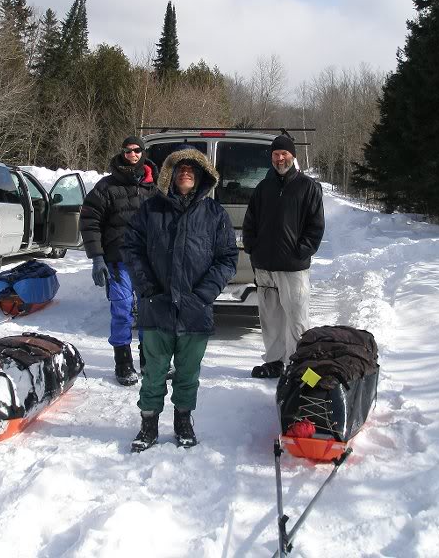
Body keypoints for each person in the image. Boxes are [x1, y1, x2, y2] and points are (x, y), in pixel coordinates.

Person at [123, 146, 238, 452]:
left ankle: (183, 420)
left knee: (188, 374)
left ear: (202, 177)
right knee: (153, 373)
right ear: (169, 175)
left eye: (192, 170)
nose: (186, 173)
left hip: (195, 311)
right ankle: (148, 424)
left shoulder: (215, 214)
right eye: (180, 169)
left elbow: (227, 258)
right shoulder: (150, 210)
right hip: (156, 306)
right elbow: (132, 249)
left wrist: (204, 295)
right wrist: (146, 288)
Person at [242, 135, 325, 378]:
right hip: (265, 266)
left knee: (297, 319)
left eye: (284, 154)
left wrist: (301, 251)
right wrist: (252, 248)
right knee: (271, 320)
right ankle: (274, 362)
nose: (280, 158)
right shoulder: (263, 188)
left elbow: (316, 226)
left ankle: (299, 367)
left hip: (293, 268)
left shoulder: (307, 187)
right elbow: (250, 223)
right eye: (276, 154)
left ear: (293, 156)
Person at [79, 135, 159, 386]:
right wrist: (97, 258)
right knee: (123, 312)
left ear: (143, 153)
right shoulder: (106, 187)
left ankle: (149, 361)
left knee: (149, 312)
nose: (133, 155)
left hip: (147, 262)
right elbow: (89, 221)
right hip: (118, 261)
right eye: (128, 151)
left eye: (137, 151)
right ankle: (123, 363)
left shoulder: (153, 189)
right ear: (122, 153)